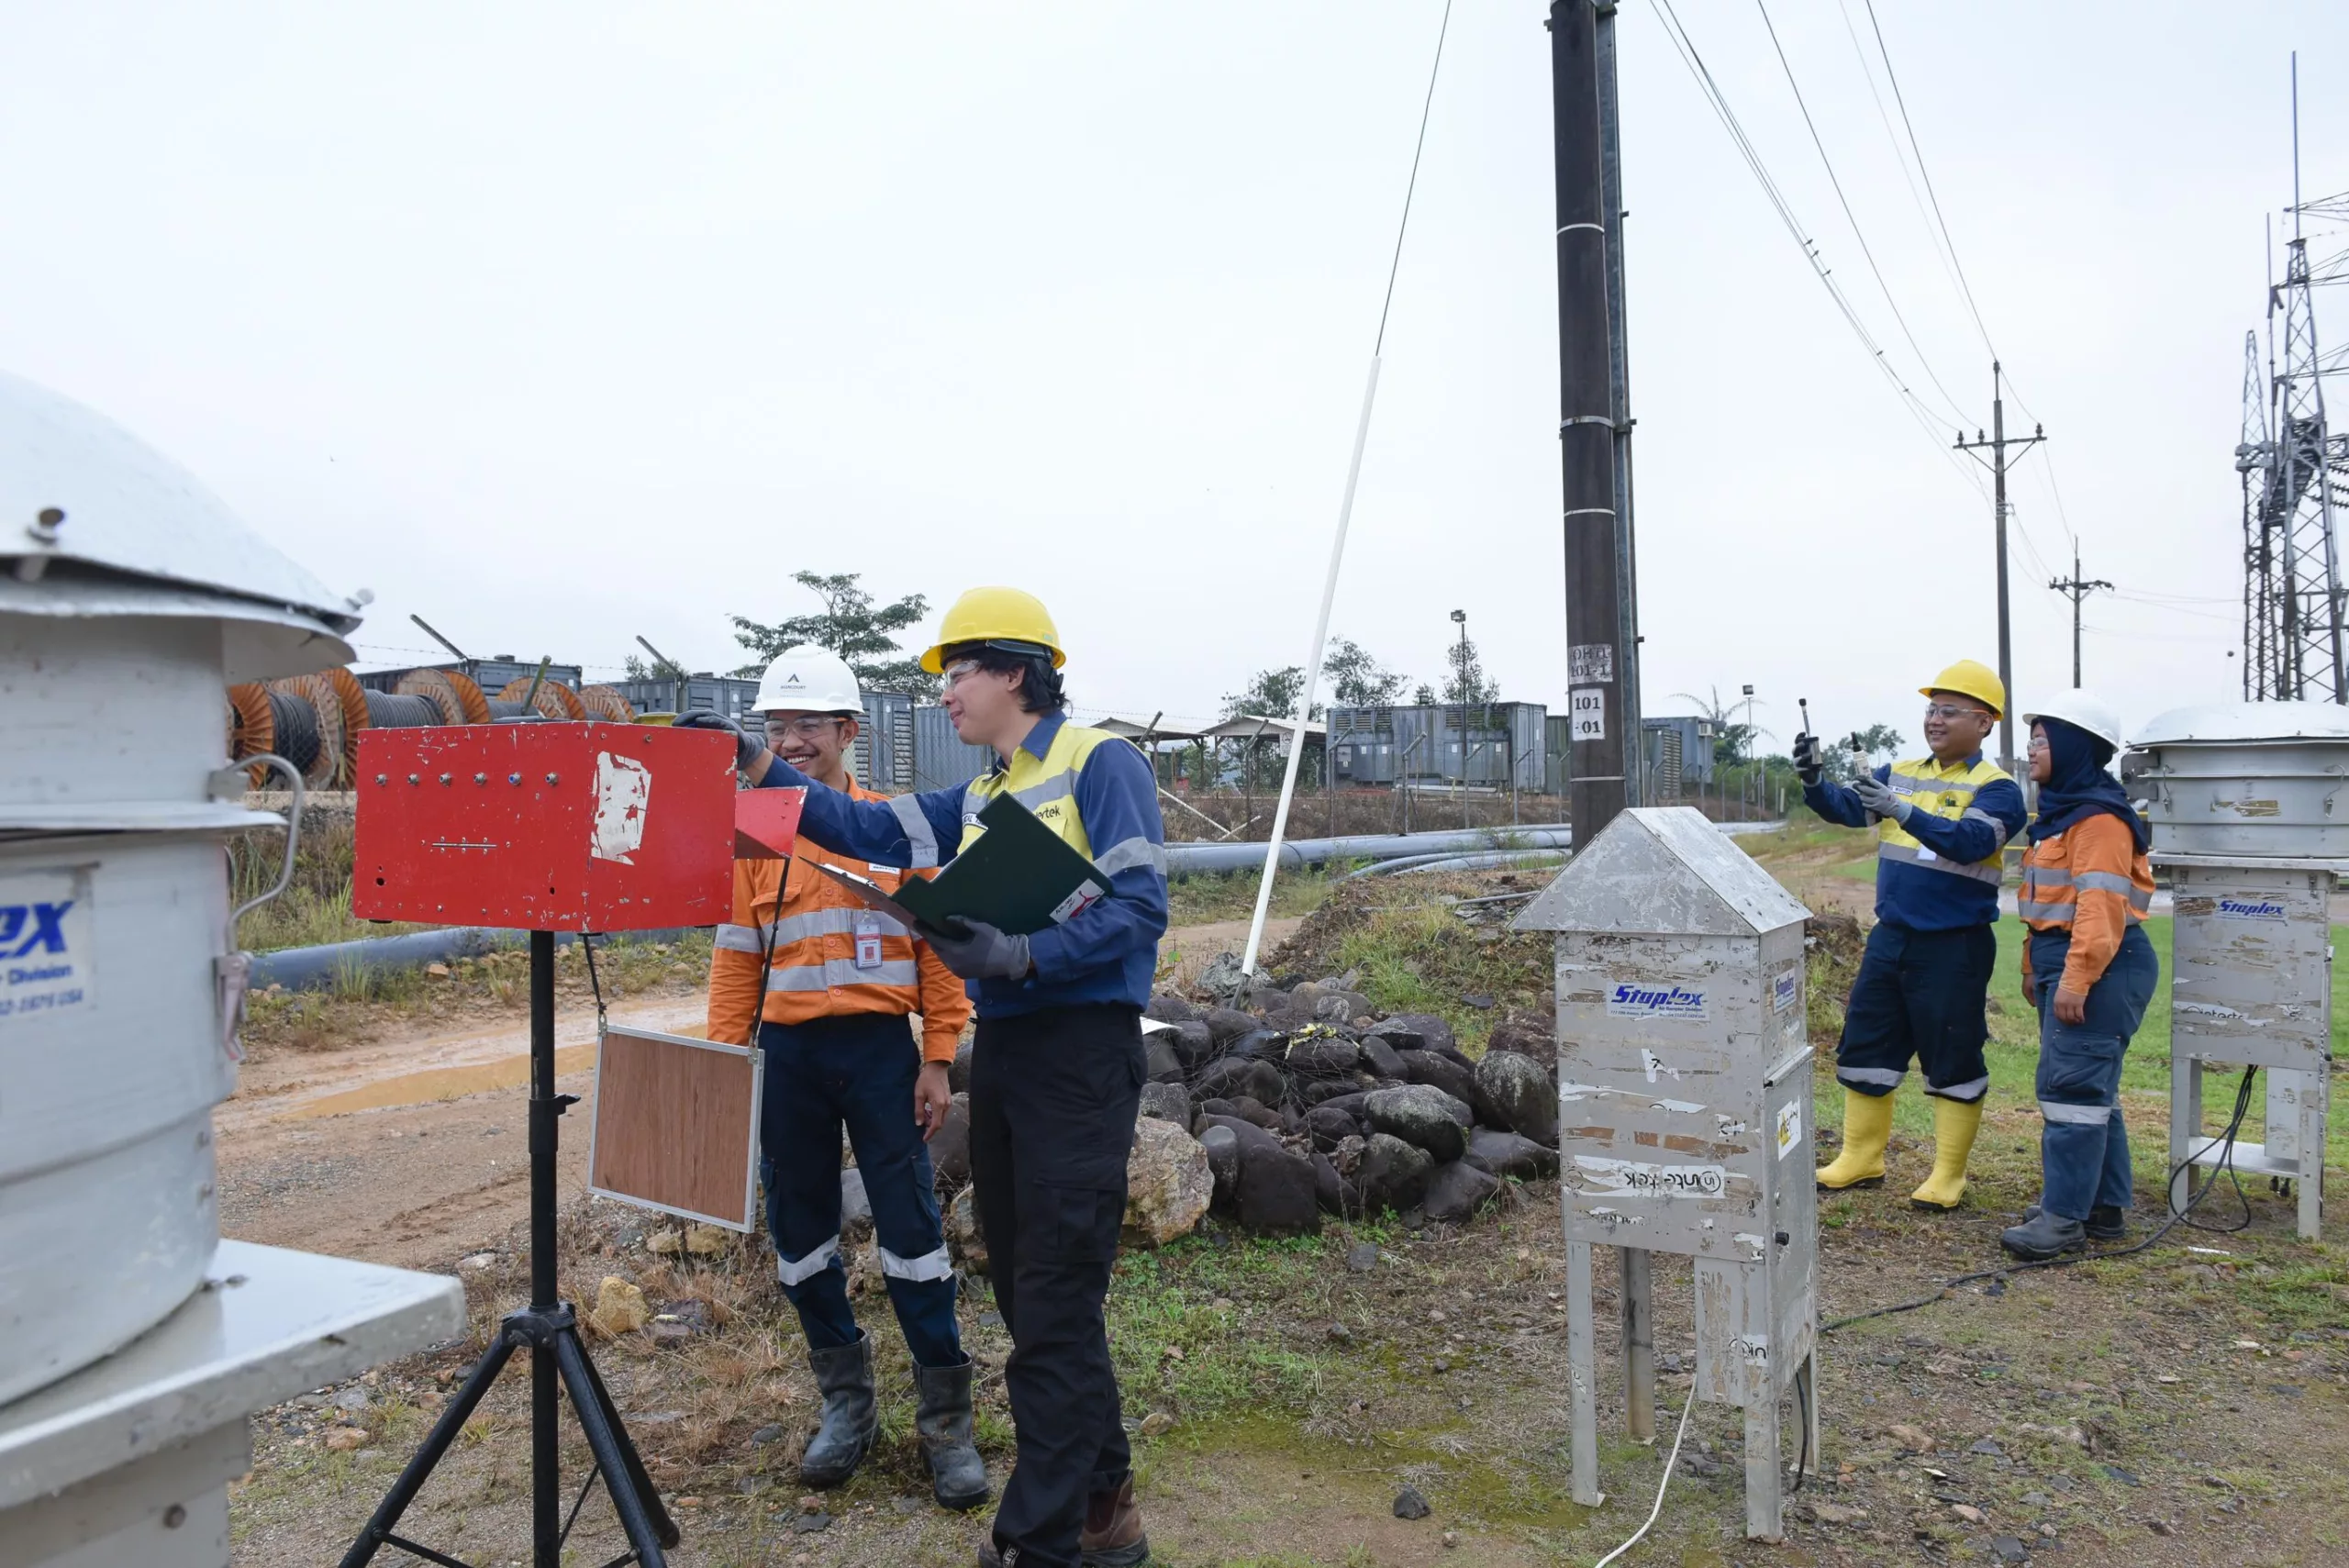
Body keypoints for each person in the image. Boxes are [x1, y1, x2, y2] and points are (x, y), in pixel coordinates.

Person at [682, 587, 1166, 1568]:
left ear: (1016, 671)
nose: (943, 691)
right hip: (1019, 1058)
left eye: (957, 670)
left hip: (1081, 1051)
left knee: (1055, 1301)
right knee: (1036, 1300)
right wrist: (755, 763)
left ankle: (1036, 1541)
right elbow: (850, 826)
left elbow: (1141, 906)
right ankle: (1106, 1510)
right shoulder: (976, 796)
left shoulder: (1099, 761)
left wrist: (1021, 951)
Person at [699, 647, 985, 1509]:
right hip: (789, 1061)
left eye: (808, 726)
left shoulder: (891, 829)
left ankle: (947, 1424)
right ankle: (846, 1406)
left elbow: (939, 948)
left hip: (878, 1057)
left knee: (913, 1232)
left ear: (847, 731)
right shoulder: (753, 836)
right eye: (776, 726)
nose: (791, 741)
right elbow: (734, 959)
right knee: (801, 1234)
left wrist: (938, 1054)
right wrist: (723, 1065)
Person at [1794, 660, 2028, 1211]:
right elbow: (1849, 808)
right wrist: (1812, 780)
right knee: (1866, 1044)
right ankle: (1861, 1157)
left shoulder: (1997, 789)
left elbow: (1969, 842)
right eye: (1931, 708)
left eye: (1950, 710)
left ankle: (1948, 1174)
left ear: (1986, 722)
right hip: (1891, 937)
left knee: (1952, 1051)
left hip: (1955, 944)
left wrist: (1901, 808)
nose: (1935, 719)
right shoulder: (1898, 768)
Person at [1999, 695, 2157, 1262]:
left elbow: (2100, 908)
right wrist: (2030, 966)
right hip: (2061, 958)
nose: (2033, 749)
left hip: (2100, 964)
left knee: (2072, 1092)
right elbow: (2044, 901)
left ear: (2073, 748)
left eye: (2041, 740)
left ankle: (2062, 1222)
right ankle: (2101, 1207)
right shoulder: (2063, 815)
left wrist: (2076, 978)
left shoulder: (2099, 820)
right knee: (2093, 1092)